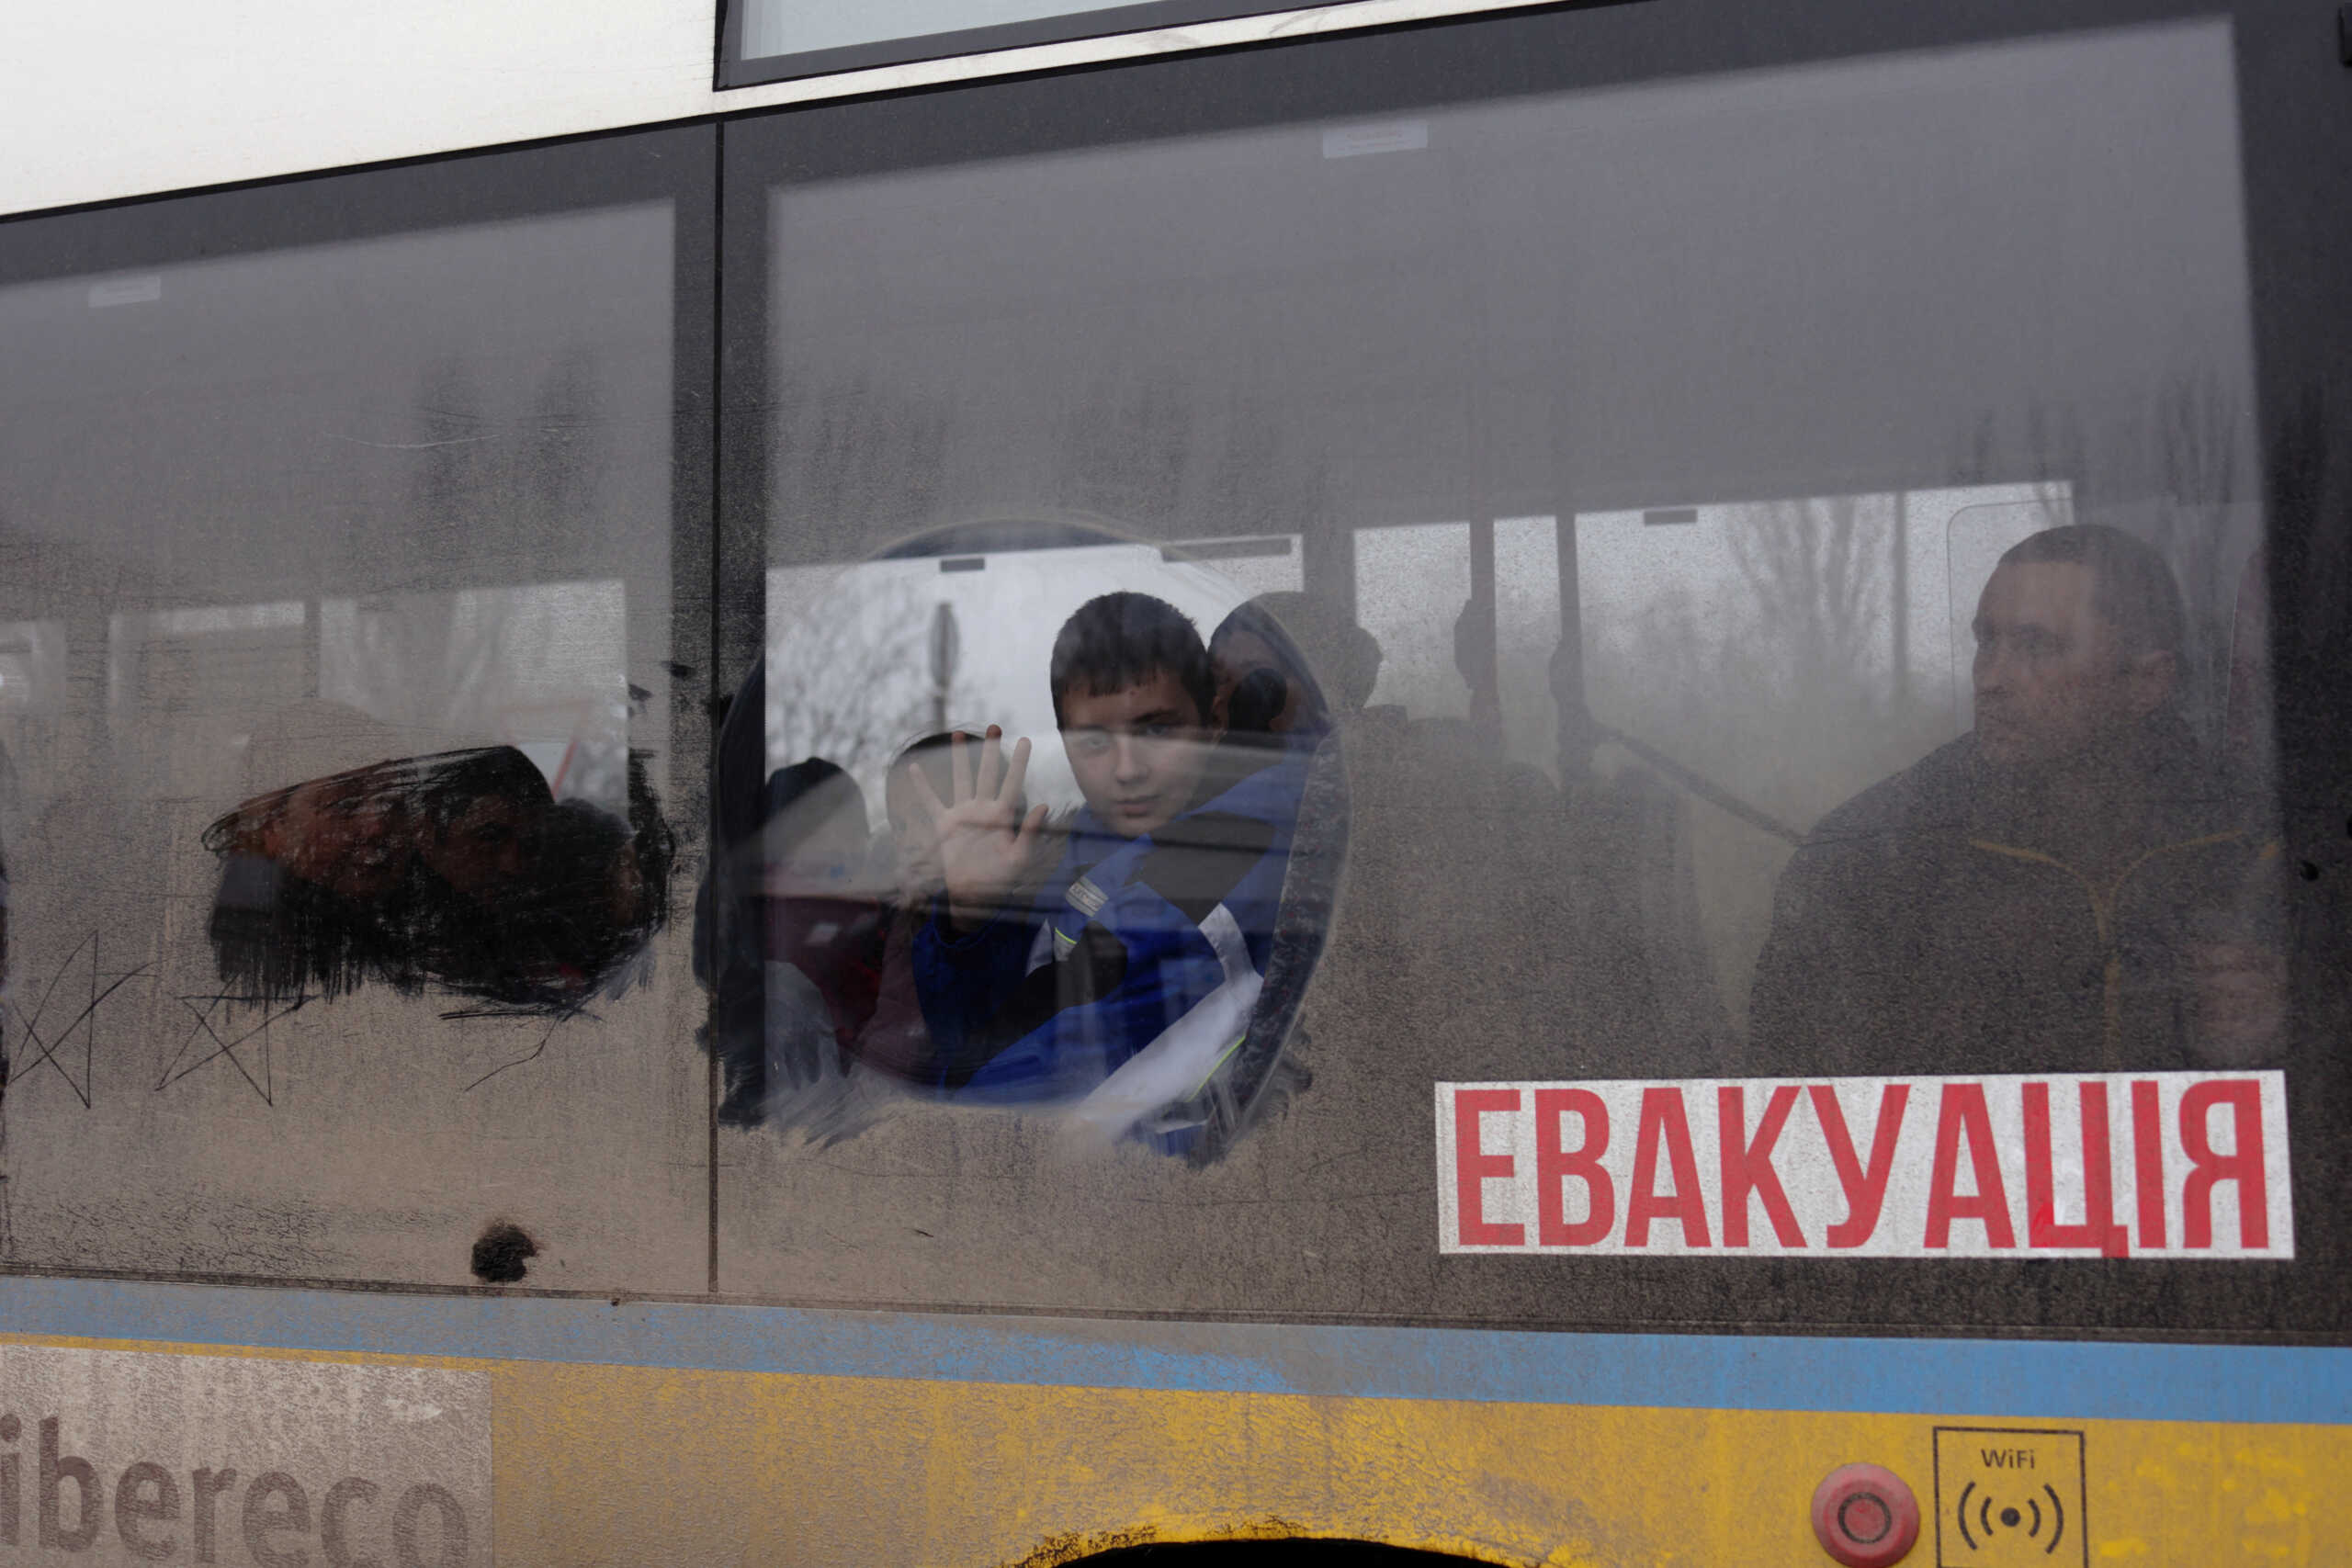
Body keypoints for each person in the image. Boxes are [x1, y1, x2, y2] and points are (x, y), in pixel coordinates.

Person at [1747, 524, 2279, 1075]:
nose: (1992, 679)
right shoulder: (1871, 859)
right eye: (1987, 642)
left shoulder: (2265, 849)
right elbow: (1788, 1107)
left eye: (2036, 646)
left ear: (2147, 682)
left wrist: (2282, 1034)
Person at [906, 591, 1306, 1151]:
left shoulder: (1220, 862)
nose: (1126, 770)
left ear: (1214, 720)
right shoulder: (1088, 853)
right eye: (1094, 742)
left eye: (1157, 730)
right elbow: (970, 1036)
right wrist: (972, 916)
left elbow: (994, 1106)